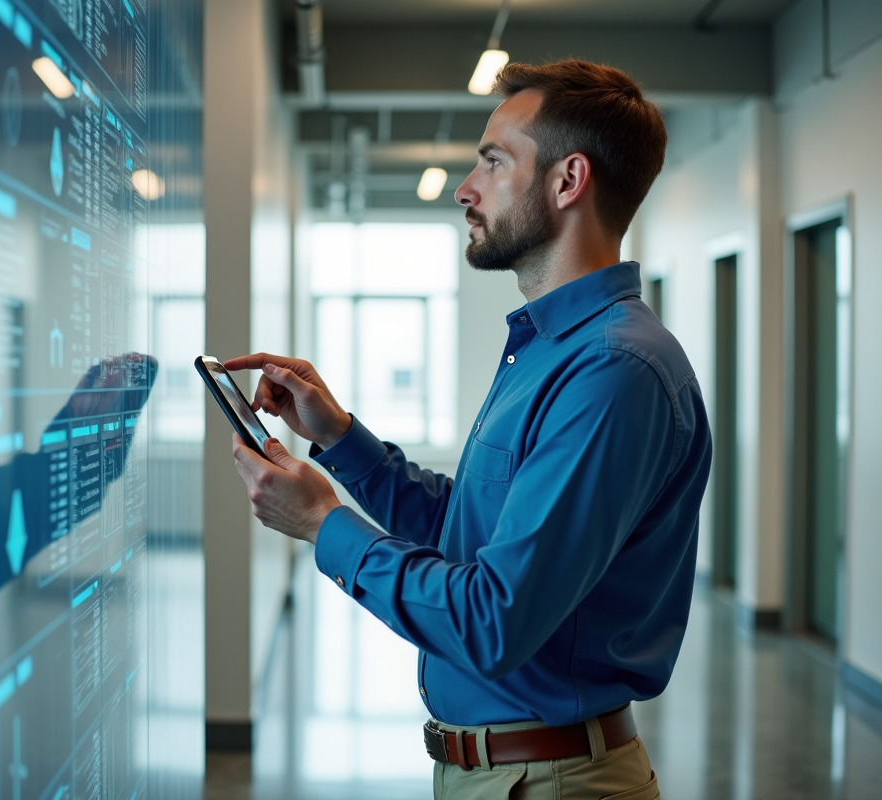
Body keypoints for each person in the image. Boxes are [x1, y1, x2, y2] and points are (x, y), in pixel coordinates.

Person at [226, 59, 711, 800]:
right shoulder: (548, 349)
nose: (466, 187)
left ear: (567, 180)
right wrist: (341, 438)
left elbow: (493, 619)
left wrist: (324, 527)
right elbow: (466, 532)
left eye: (491, 162)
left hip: (551, 781)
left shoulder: (613, 372)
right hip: (506, 771)